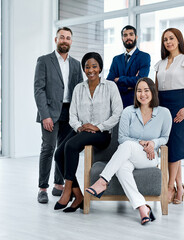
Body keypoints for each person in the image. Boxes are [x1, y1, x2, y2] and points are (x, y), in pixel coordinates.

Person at [86, 77, 172, 225]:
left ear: (152, 92)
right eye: (139, 91)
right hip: (130, 156)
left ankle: (102, 180)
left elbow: (164, 138)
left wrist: (152, 143)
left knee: (126, 148)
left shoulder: (164, 113)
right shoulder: (128, 112)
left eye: (146, 90)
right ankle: (142, 208)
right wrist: (140, 142)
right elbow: (122, 138)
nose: (142, 94)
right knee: (122, 167)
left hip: (149, 158)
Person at [54, 52, 123, 212]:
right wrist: (79, 127)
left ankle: (67, 191)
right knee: (58, 154)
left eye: (94, 66)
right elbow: (72, 115)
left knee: (70, 146)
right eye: (87, 67)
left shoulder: (110, 86)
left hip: (102, 133)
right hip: (81, 130)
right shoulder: (79, 88)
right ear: (83, 69)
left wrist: (98, 127)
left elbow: (117, 113)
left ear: (100, 68)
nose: (91, 70)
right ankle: (78, 195)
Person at [34, 27, 83, 204]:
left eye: (68, 38)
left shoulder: (76, 64)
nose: (65, 40)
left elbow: (79, 91)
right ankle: (42, 188)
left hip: (69, 112)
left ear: (71, 41)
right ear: (56, 40)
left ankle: (59, 185)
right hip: (50, 112)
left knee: (63, 149)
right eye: (61, 37)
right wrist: (44, 115)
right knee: (48, 149)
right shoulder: (44, 61)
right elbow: (38, 90)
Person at [155, 28, 184, 204]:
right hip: (162, 106)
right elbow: (156, 90)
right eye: (165, 39)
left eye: (171, 38)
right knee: (168, 147)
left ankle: (169, 187)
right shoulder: (159, 64)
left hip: (180, 106)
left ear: (178, 40)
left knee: (175, 147)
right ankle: (179, 186)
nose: (168, 42)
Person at [107, 25, 151, 108]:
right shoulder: (116, 59)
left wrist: (119, 79)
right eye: (125, 35)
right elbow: (109, 83)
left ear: (136, 37)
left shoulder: (144, 57)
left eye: (131, 34)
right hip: (118, 103)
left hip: (135, 103)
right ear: (122, 39)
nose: (128, 37)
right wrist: (129, 86)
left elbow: (140, 80)